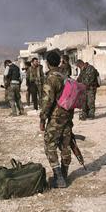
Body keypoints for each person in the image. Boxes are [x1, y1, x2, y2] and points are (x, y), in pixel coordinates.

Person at [39, 51, 73, 188]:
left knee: (50, 146)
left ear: (47, 63)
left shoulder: (51, 78)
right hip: (67, 116)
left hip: (56, 117)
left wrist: (42, 118)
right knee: (65, 145)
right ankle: (64, 174)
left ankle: (59, 179)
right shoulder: (64, 76)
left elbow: (47, 101)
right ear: (59, 62)